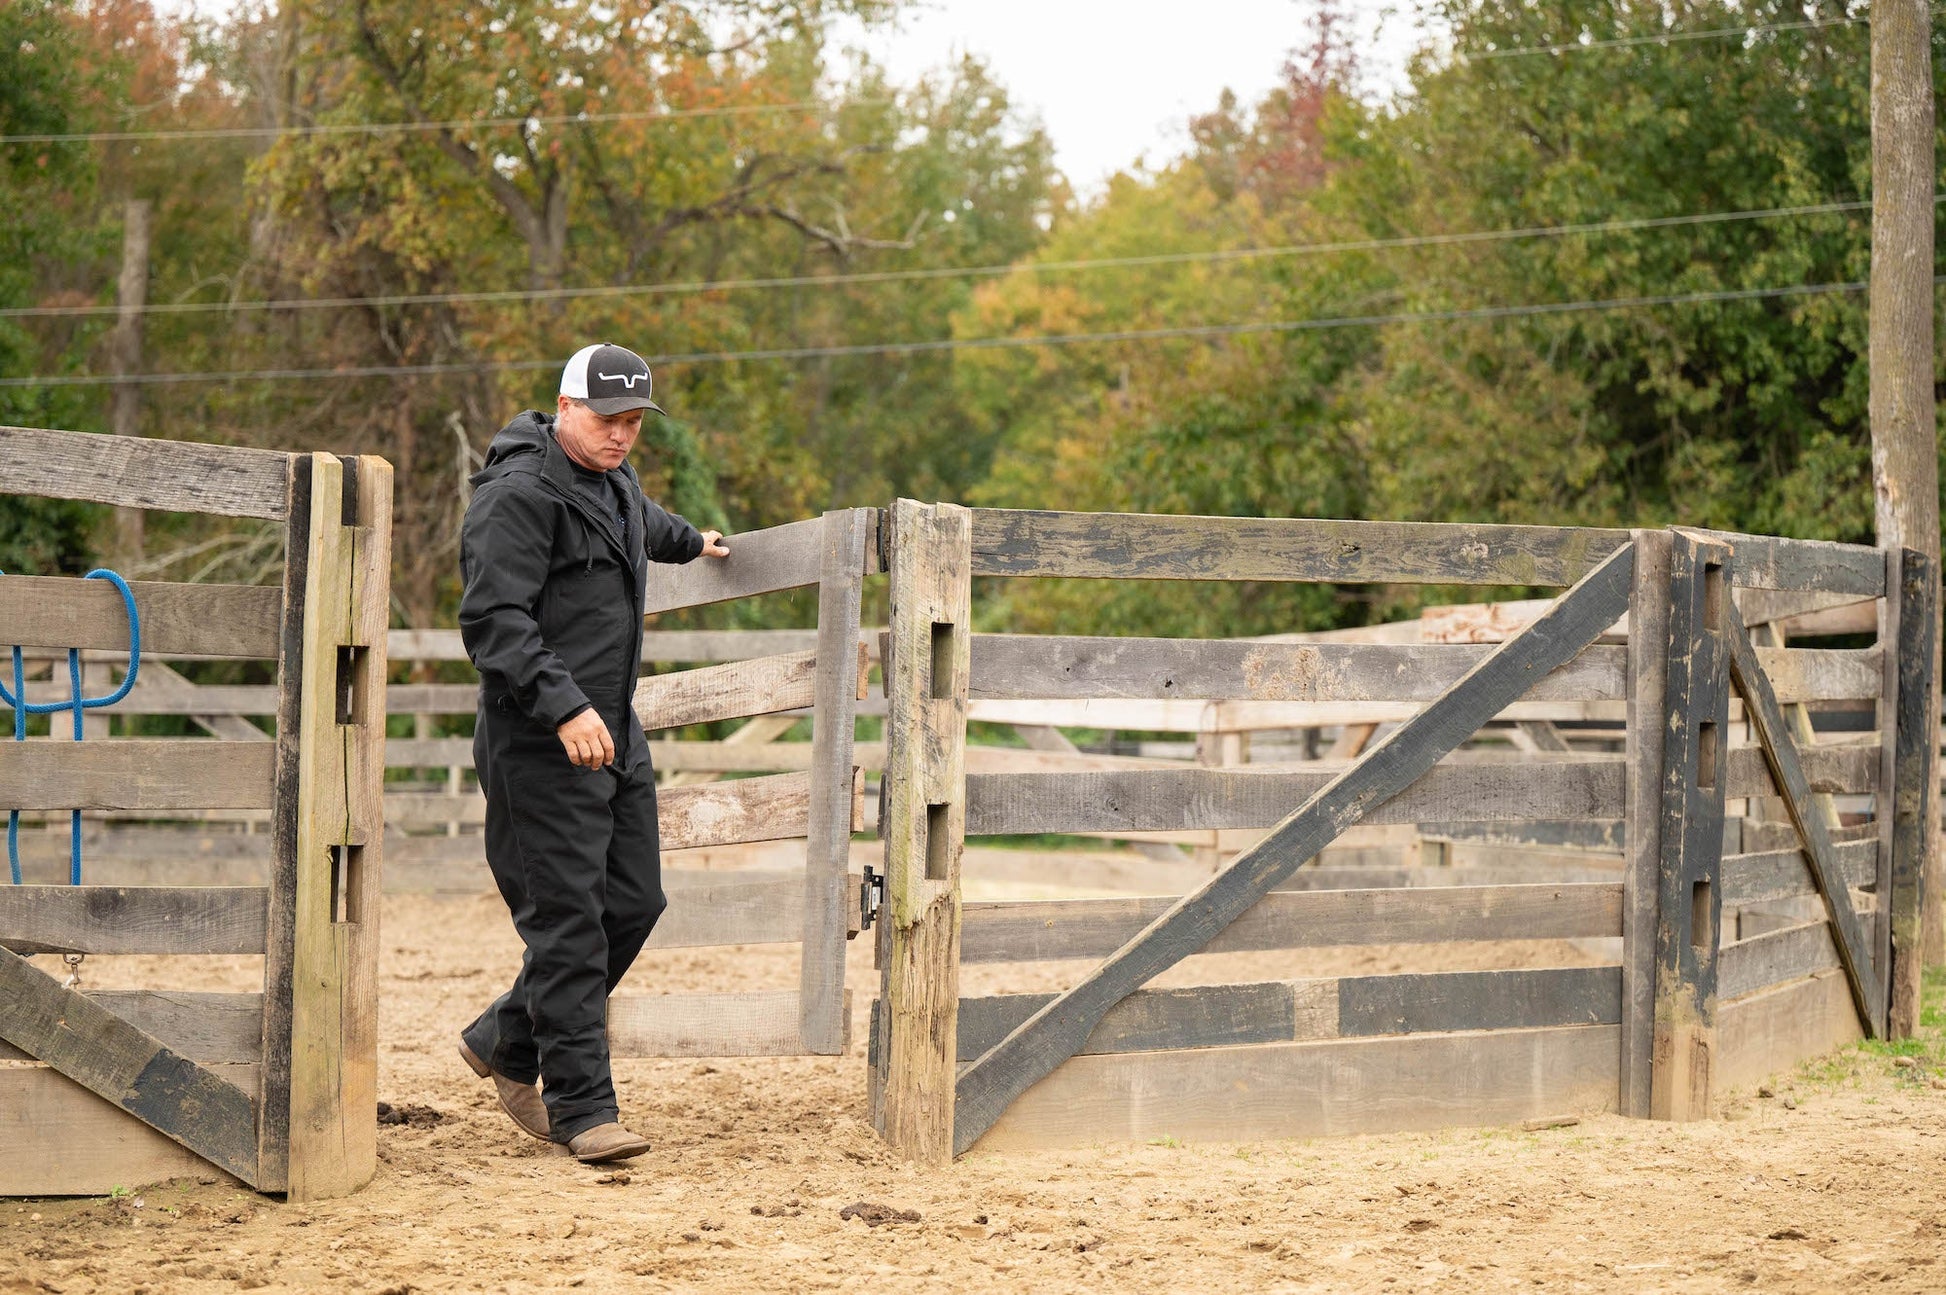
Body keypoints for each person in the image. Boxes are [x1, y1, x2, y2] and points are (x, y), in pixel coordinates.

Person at [454, 342, 729, 1164]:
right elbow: (494, 620)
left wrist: (695, 541)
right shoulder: (517, 495)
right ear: (567, 406)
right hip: (541, 737)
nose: (622, 434)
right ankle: (582, 1109)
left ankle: (507, 1037)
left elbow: (641, 524)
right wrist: (563, 704)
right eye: (609, 419)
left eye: (635, 421)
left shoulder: (614, 480)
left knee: (635, 902)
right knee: (568, 923)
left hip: (612, 729)